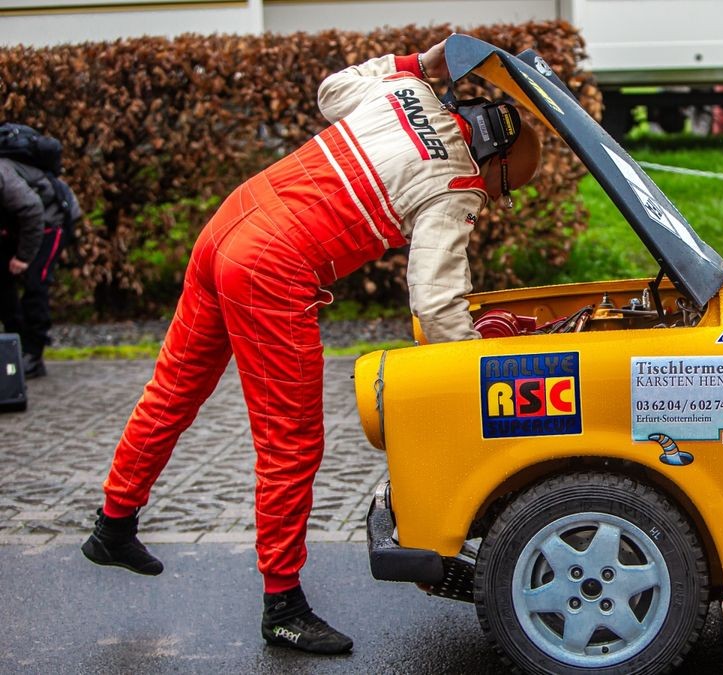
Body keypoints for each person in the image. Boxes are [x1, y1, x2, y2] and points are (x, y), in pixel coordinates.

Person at [80, 38, 541, 655]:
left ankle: (114, 524)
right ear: (494, 159)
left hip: (229, 224)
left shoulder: (407, 93)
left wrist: (416, 66)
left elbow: (330, 91)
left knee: (173, 390)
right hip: (272, 268)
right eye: (504, 187)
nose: (496, 197)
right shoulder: (456, 184)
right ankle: (283, 607)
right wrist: (488, 366)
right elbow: (434, 308)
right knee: (290, 441)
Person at [0, 154, 79, 379]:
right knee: (3, 283)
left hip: (51, 220)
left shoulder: (2, 174)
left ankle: (33, 355)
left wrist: (23, 258)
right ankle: (13, 349)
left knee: (36, 281)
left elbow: (32, 210)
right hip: (19, 226)